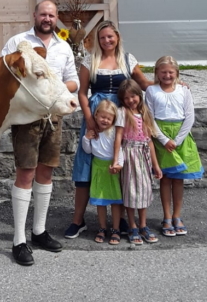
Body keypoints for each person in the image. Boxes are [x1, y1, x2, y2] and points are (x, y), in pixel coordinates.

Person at [1, 0, 79, 266]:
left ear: (57, 18)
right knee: (26, 173)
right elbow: (4, 74)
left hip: (53, 116)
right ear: (34, 15)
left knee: (46, 171)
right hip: (27, 116)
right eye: (43, 14)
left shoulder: (63, 46)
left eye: (51, 15)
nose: (47, 18)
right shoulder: (17, 42)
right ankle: (18, 240)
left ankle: (39, 232)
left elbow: (74, 81)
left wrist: (53, 84)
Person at [65, 20, 152, 239]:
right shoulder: (89, 60)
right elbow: (82, 92)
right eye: (102, 37)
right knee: (87, 164)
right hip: (97, 113)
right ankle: (78, 220)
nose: (106, 40)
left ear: (117, 38)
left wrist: (171, 85)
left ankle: (120, 219)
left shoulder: (127, 59)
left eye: (110, 36)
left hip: (123, 115)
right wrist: (89, 118)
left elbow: (143, 83)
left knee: (122, 163)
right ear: (98, 39)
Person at [145, 56, 204, 237]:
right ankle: (167, 217)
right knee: (165, 178)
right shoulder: (151, 91)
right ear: (157, 73)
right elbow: (150, 118)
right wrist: (163, 140)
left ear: (177, 73)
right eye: (163, 72)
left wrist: (177, 140)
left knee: (178, 179)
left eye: (171, 72)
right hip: (161, 137)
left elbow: (189, 116)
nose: (167, 75)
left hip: (180, 136)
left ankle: (177, 215)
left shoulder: (183, 91)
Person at [113, 79, 163, 245]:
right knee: (131, 191)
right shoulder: (122, 112)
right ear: (122, 100)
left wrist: (156, 166)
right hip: (129, 155)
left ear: (139, 96)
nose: (130, 100)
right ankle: (132, 225)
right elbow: (119, 136)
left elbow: (150, 141)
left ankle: (143, 225)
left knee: (144, 190)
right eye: (126, 98)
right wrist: (116, 159)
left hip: (144, 156)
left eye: (133, 96)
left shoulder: (145, 113)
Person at [81, 99, 124, 245]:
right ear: (96, 115)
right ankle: (102, 227)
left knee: (115, 200)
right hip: (98, 168)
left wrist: (119, 164)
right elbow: (88, 150)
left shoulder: (114, 133)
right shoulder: (93, 132)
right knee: (101, 201)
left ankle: (116, 229)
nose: (105, 120)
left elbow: (120, 150)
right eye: (102, 117)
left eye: (109, 118)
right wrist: (86, 139)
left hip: (112, 167)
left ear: (113, 119)